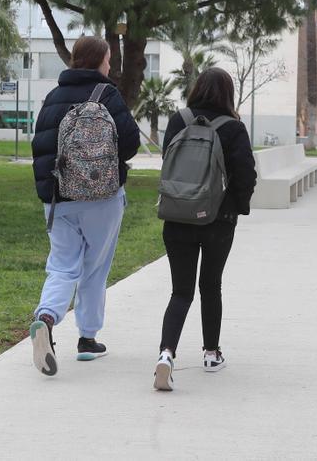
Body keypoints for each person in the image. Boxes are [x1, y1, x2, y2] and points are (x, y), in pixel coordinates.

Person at [28, 36, 141, 376]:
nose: (110, 66)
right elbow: (131, 143)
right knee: (95, 267)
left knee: (62, 266)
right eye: (108, 60)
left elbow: (41, 146)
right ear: (99, 61)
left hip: (59, 198)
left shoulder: (53, 97)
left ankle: (46, 317)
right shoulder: (108, 95)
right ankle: (87, 340)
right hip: (102, 198)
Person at [153, 68, 257, 392]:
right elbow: (246, 175)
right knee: (211, 286)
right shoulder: (234, 128)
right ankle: (211, 354)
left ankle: (166, 355)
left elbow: (169, 160)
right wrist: (238, 206)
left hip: (177, 216)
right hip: (218, 221)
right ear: (229, 94)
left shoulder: (178, 120)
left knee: (180, 291)